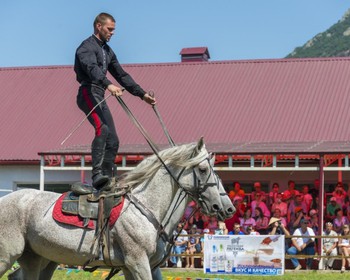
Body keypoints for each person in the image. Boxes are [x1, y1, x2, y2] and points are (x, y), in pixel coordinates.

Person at [74, 12, 156, 190]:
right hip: (87, 93)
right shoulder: (86, 47)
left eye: (114, 30)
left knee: (113, 140)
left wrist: (142, 95)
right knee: (102, 128)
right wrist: (108, 84)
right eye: (110, 29)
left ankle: (108, 179)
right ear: (99, 26)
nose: (113, 33)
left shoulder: (107, 51)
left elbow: (121, 74)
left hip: (99, 94)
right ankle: (96, 175)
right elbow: (91, 68)